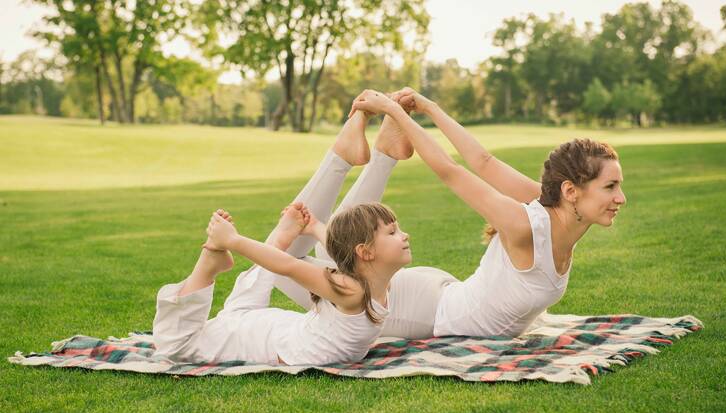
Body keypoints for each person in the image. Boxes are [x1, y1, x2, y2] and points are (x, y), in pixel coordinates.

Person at [345, 87, 627, 338]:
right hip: (423, 312)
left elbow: (484, 161)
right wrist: (396, 112)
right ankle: (357, 156)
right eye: (610, 186)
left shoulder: (551, 205)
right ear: (571, 191)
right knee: (326, 279)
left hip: (442, 292)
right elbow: (451, 171)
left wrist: (430, 108)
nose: (620, 198)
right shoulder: (524, 226)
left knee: (329, 274)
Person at [150, 115, 414, 365]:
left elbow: (342, 251)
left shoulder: (372, 281)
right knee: (176, 347)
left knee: (238, 314)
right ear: (365, 252)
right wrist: (234, 240)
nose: (405, 236)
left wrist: (316, 228)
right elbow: (288, 267)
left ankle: (247, 247)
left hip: (278, 330)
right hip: (271, 337)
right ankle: (210, 259)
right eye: (393, 232)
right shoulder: (353, 289)